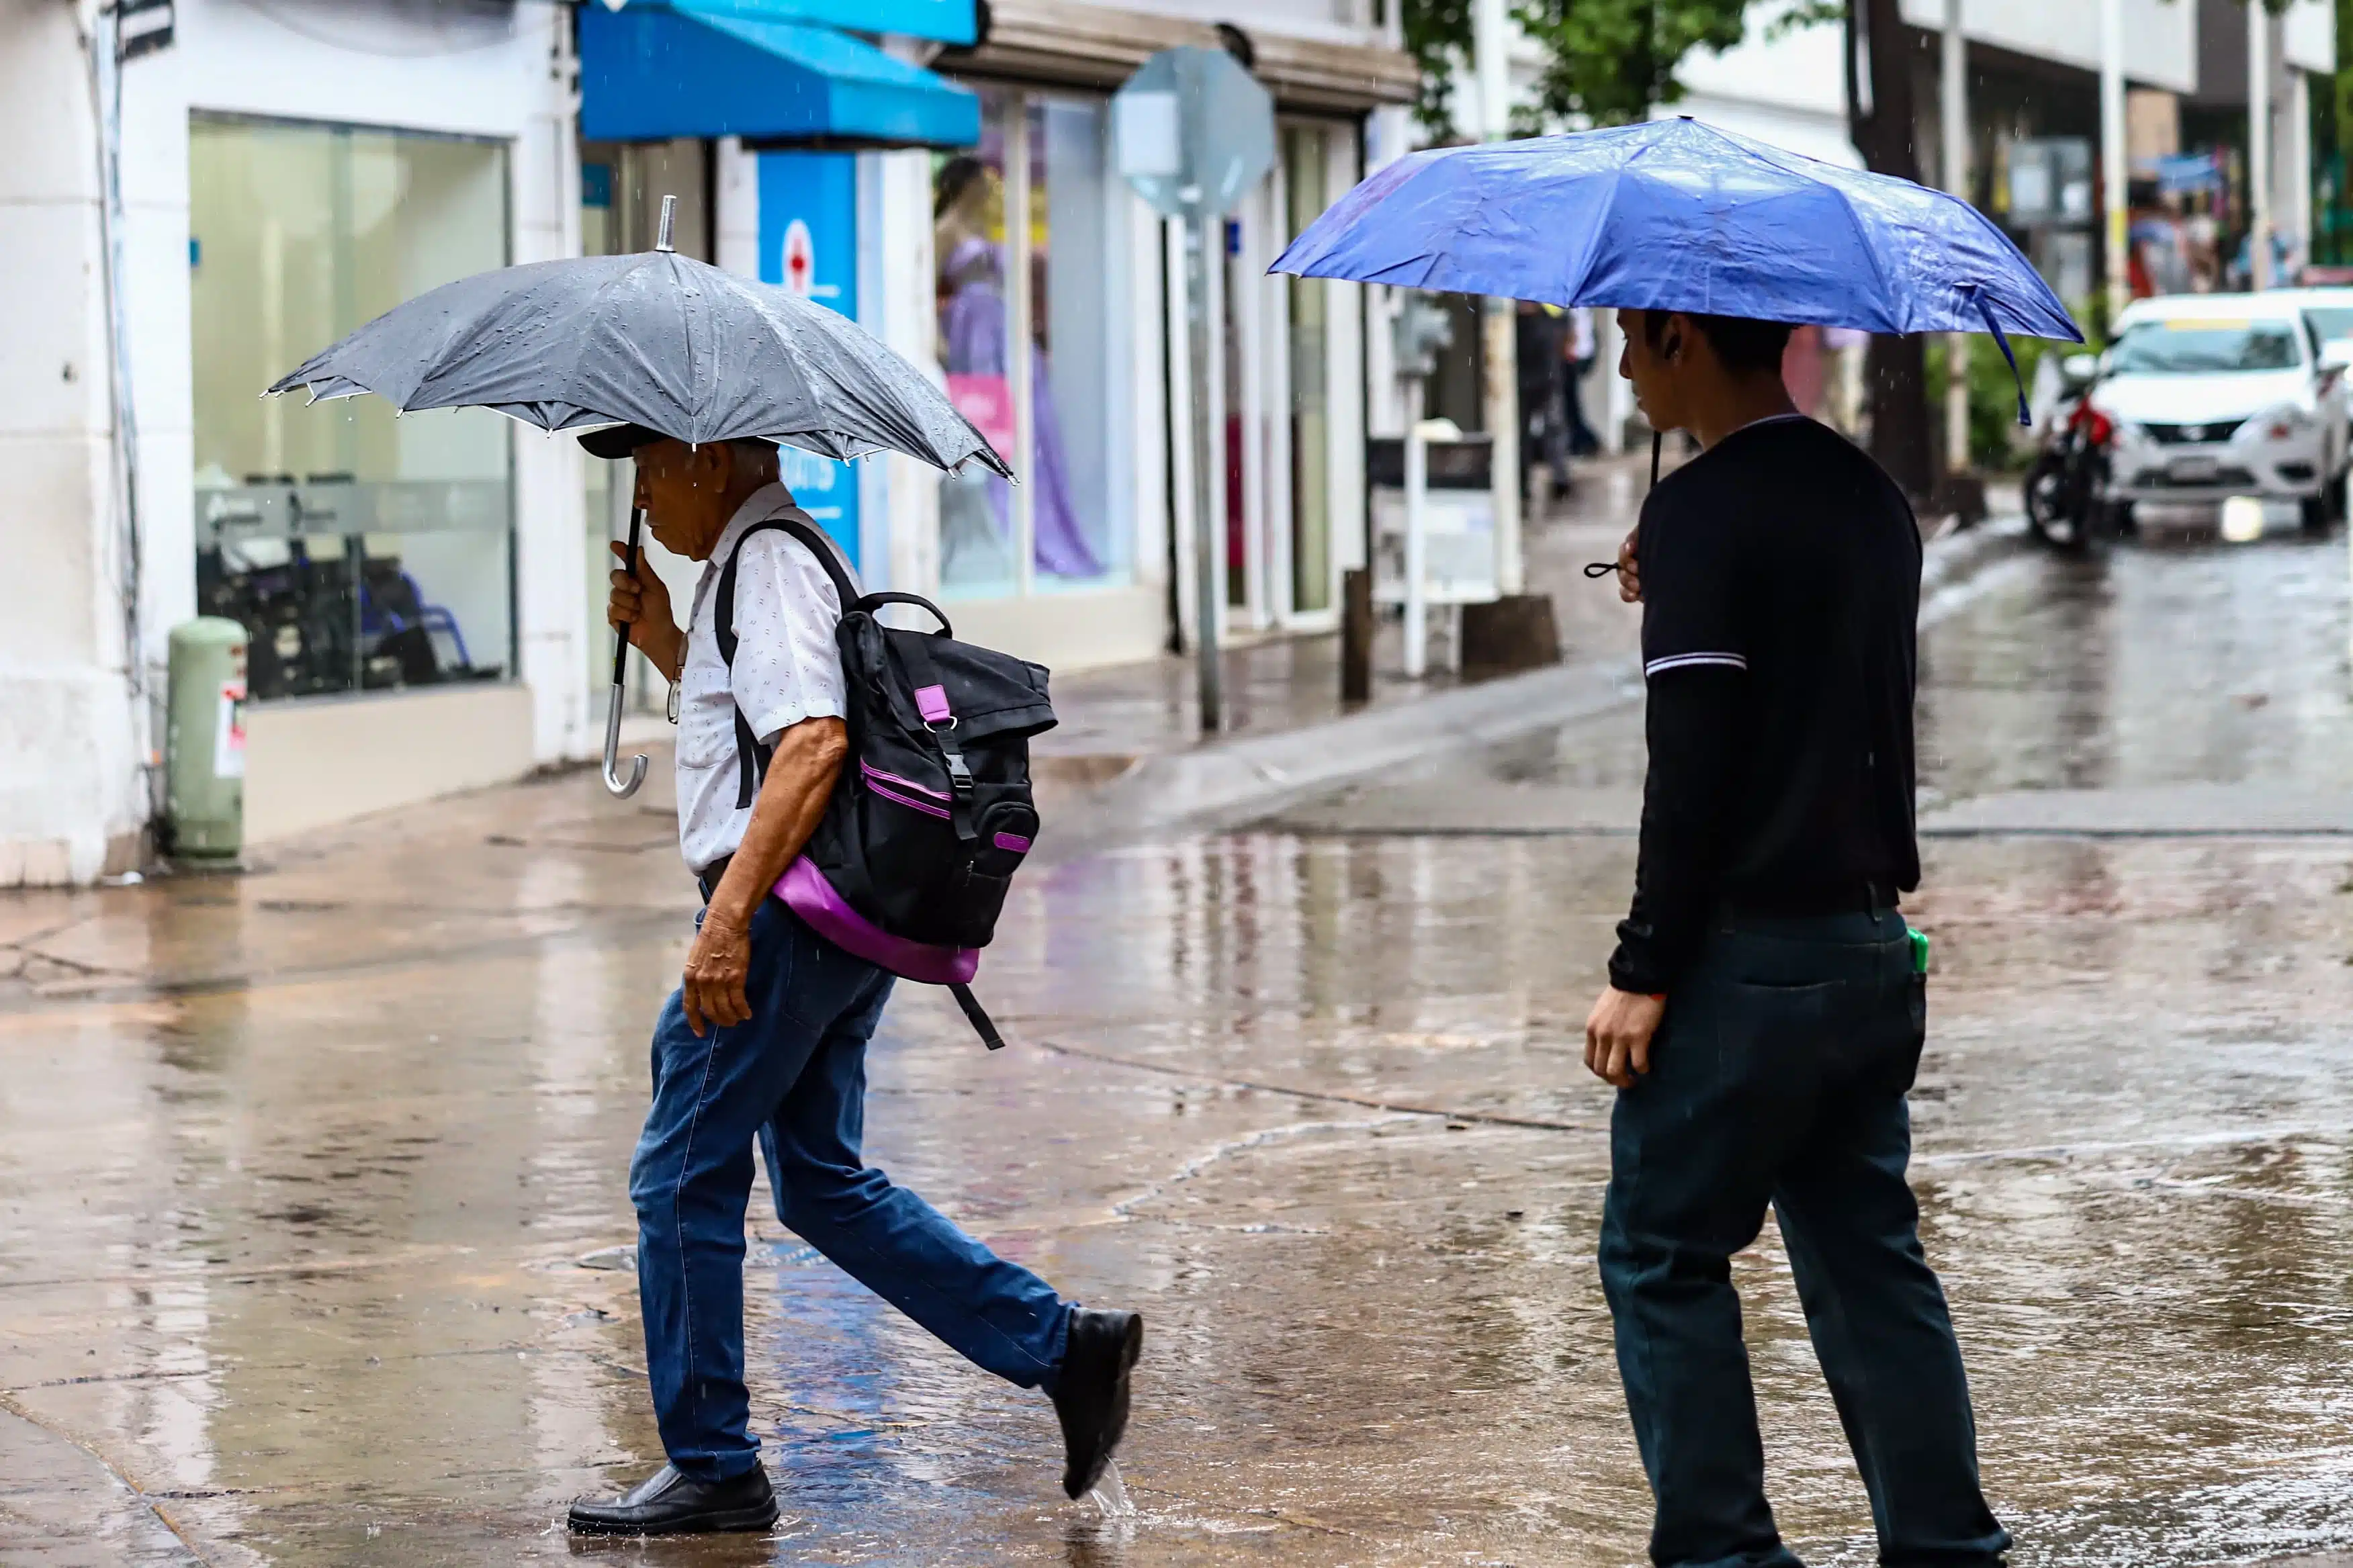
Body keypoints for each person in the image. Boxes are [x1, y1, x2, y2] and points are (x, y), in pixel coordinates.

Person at [567, 426, 1141, 1536]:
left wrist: (726, 918)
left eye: (649, 467)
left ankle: (714, 1465)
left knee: (677, 1177)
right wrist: (667, 639)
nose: (643, 493)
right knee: (822, 1181)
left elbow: (813, 742)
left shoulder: (768, 560)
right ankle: (1064, 1346)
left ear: (712, 460)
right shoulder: (760, 567)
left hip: (778, 918)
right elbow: (758, 715)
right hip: (827, 918)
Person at [1585, 312, 2008, 1568]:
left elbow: (1695, 762)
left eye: (1628, 341)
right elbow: (1820, 673)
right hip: (1872, 950)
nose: (1618, 369)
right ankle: (1945, 1547)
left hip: (1746, 964)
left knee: (1660, 1253)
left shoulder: (1705, 511)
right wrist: (1682, 556)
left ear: (1676, 335)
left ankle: (1722, 1553)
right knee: (1867, 1257)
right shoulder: (1872, 497)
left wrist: (1642, 965)